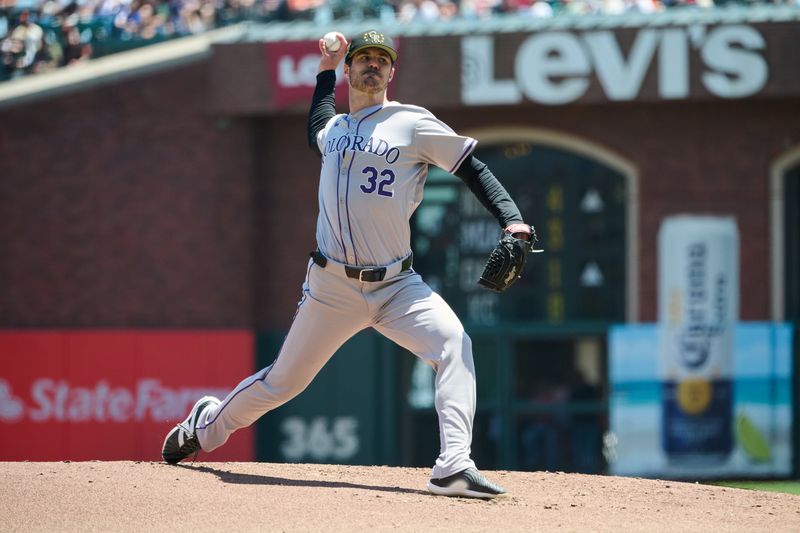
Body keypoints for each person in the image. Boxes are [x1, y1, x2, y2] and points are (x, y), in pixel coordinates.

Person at [161, 29, 534, 499]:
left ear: (391, 71)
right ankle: (207, 426)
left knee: (454, 344)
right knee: (281, 384)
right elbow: (317, 119)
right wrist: (323, 67)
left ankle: (453, 466)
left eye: (382, 58)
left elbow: (471, 167)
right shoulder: (334, 130)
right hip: (331, 288)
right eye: (364, 58)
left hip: (397, 286)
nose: (373, 64)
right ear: (350, 69)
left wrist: (514, 223)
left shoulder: (412, 123)